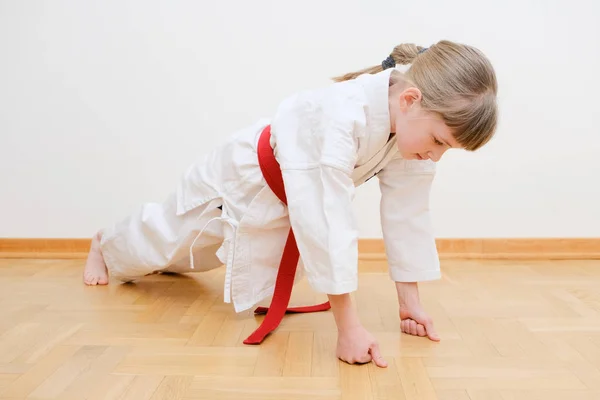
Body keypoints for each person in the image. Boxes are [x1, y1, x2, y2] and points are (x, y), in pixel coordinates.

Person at [83, 40, 498, 368]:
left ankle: (155, 257)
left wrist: (411, 306)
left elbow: (408, 217)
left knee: (197, 260)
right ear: (410, 100)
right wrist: (348, 328)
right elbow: (328, 224)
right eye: (439, 142)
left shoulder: (409, 131)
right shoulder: (341, 116)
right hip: (240, 181)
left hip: (286, 200)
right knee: (166, 240)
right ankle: (106, 242)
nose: (436, 156)